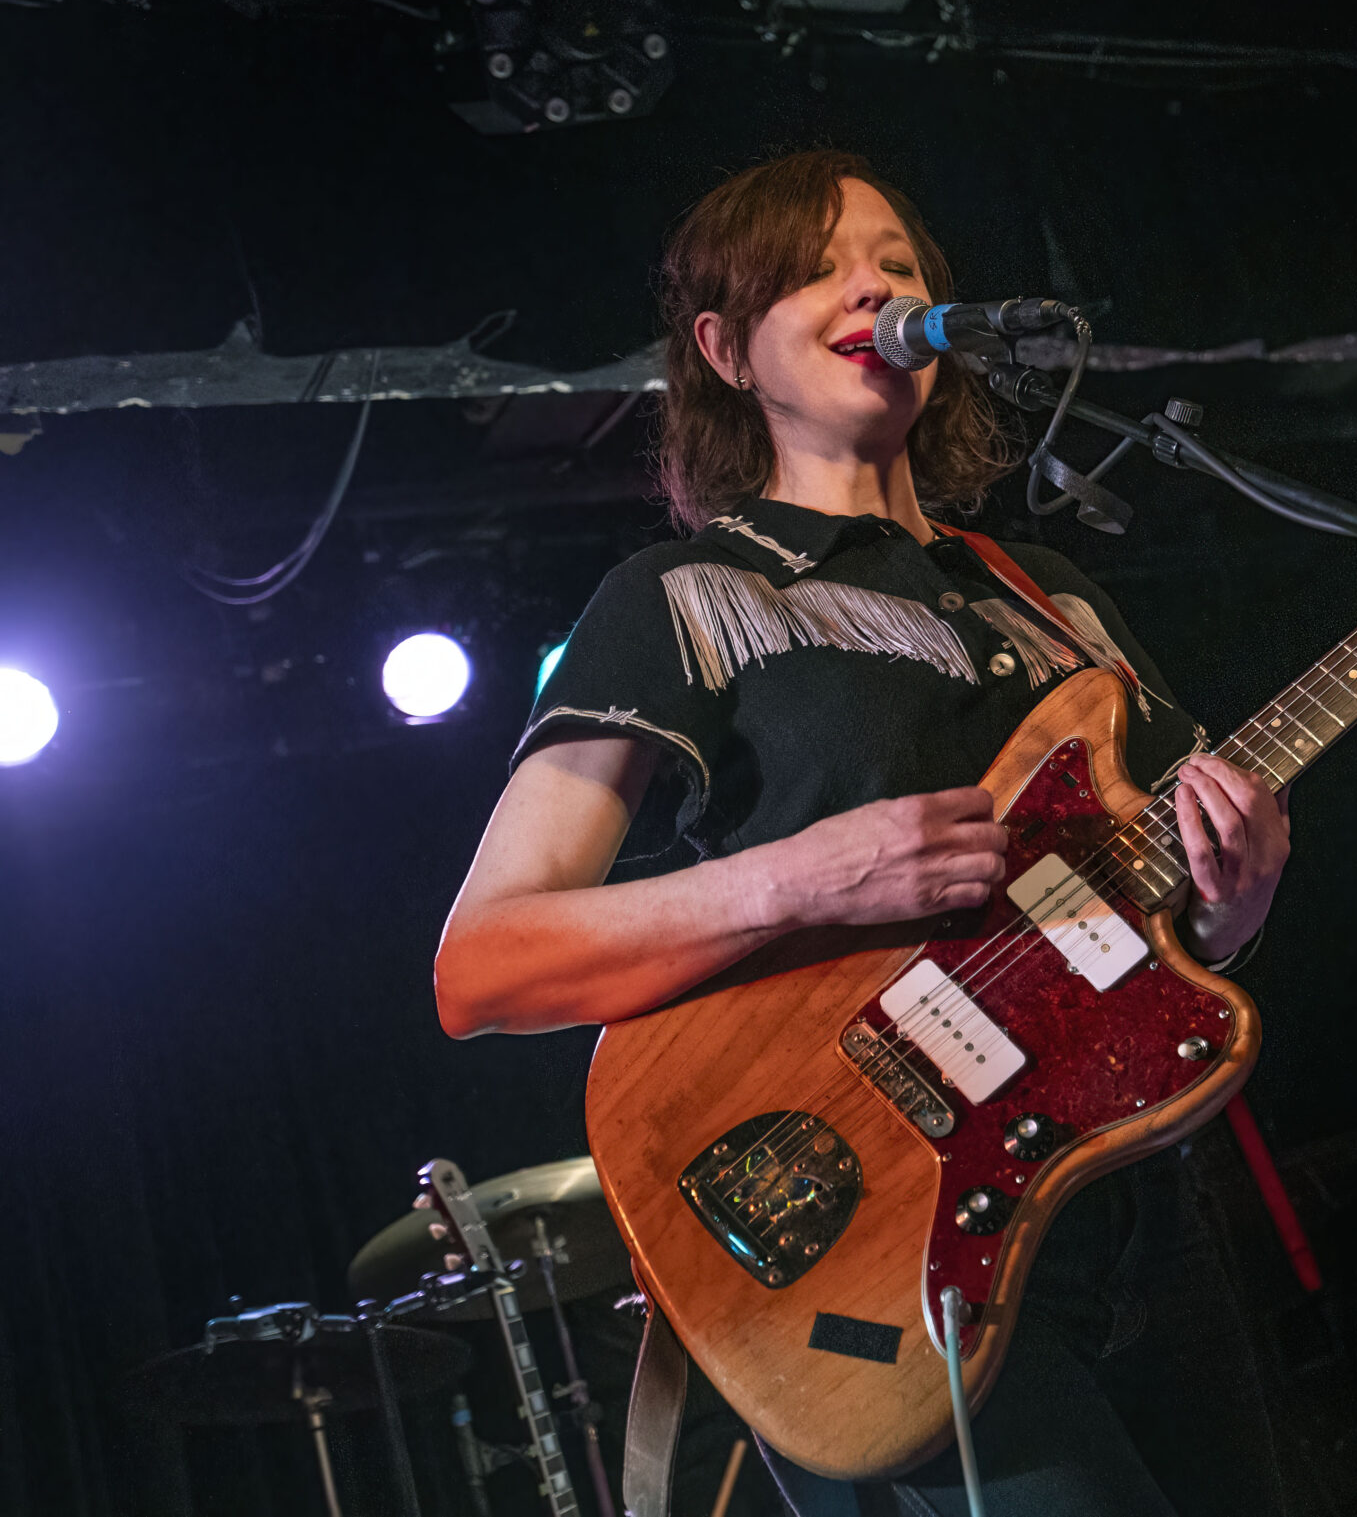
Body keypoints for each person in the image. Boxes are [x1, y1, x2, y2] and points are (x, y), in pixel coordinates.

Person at [434, 149, 1293, 1517]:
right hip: (880, 1250)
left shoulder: (1049, 596)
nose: (876, 286)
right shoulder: (688, 596)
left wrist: (1234, 907)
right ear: (725, 349)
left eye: (897, 262)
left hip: (1120, 1216)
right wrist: (810, 872)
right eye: (819, 266)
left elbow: (1155, 918)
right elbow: (486, 961)